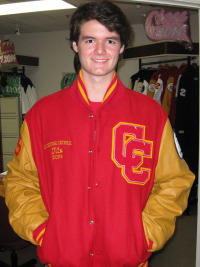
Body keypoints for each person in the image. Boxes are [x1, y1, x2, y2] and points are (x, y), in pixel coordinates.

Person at [3, 1, 194, 267]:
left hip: (127, 261)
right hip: (63, 261)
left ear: (122, 47)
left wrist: (146, 234)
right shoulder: (42, 115)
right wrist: (42, 231)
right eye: (90, 39)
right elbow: (20, 181)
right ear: (75, 45)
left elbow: (174, 180)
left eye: (111, 41)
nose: (101, 50)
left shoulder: (151, 114)